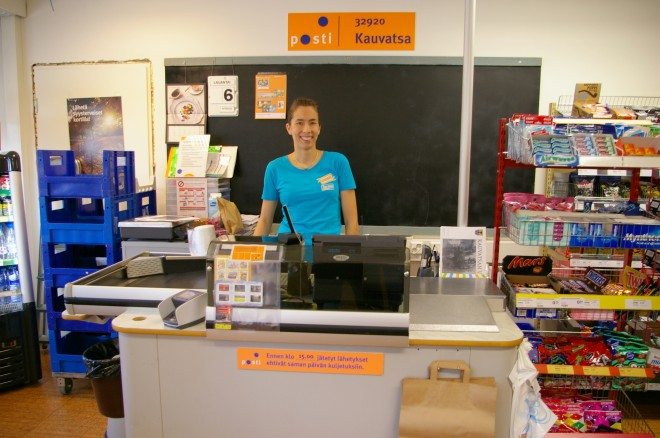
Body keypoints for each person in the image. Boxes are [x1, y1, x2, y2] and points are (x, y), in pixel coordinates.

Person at [253, 97, 359, 244]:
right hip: (289, 249)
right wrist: (250, 252)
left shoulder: (338, 162)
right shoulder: (275, 168)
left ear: (319, 128)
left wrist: (351, 253)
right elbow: (265, 220)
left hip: (327, 249)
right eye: (299, 123)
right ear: (289, 128)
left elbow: (351, 222)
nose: (307, 130)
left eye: (312, 122)